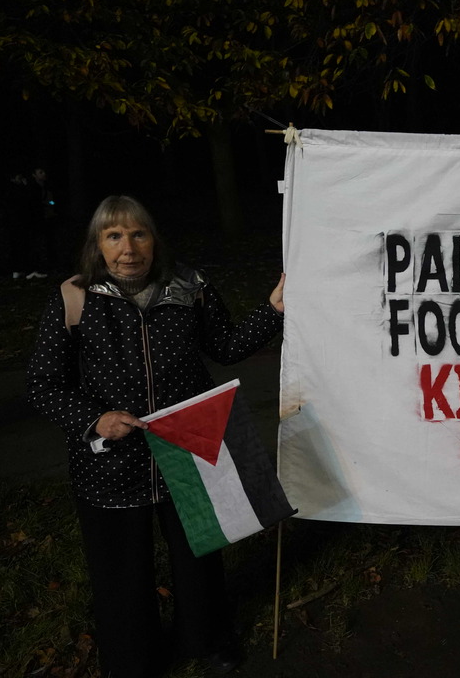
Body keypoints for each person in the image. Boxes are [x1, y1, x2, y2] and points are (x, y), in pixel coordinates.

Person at [27, 195, 286, 677]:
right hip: (109, 459)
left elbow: (225, 346)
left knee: (199, 553)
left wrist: (273, 310)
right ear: (98, 246)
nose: (128, 247)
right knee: (120, 570)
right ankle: (132, 659)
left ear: (154, 239)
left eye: (138, 234)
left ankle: (208, 637)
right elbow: (42, 383)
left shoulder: (189, 286)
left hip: (188, 444)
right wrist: (95, 418)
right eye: (114, 236)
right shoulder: (74, 297)